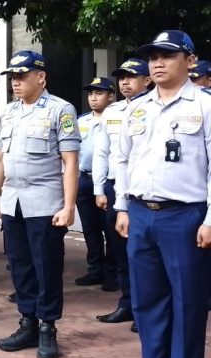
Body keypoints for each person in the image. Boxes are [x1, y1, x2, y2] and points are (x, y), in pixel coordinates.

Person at [114, 30, 211, 358]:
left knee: (188, 301)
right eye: (153, 58)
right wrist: (122, 207)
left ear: (190, 60)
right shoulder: (136, 109)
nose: (157, 63)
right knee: (147, 301)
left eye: (167, 56)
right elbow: (122, 159)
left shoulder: (206, 105)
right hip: (140, 215)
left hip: (185, 217)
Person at [0, 50, 80, 358]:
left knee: (47, 267)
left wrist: (69, 207)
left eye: (22, 76)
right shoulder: (9, 113)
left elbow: (70, 163)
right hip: (13, 203)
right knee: (20, 266)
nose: (16, 82)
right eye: (12, 77)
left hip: (45, 202)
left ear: (41, 77)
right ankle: (27, 322)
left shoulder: (60, 110)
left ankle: (47, 327)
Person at [93, 57, 151, 333]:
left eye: (132, 76)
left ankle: (146, 309)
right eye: (122, 77)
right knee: (120, 252)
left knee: (145, 255)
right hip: (114, 188)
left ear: (147, 80)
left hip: (142, 192)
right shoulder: (112, 112)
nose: (125, 81)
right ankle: (127, 303)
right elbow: (101, 152)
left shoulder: (154, 109)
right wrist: (98, 187)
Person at [75, 77, 117, 290]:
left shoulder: (117, 119)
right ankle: (95, 270)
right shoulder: (81, 121)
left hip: (108, 182)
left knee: (110, 229)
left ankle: (112, 273)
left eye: (99, 93)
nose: (93, 97)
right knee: (90, 229)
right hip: (84, 180)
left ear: (111, 96)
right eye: (91, 93)